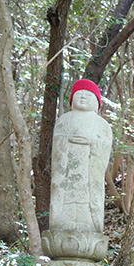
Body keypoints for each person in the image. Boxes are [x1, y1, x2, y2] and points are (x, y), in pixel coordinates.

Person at [49, 79, 112, 233]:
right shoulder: (64, 120)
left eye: (88, 95)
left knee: (87, 197)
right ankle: (61, 224)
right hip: (68, 171)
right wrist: (67, 141)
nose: (83, 96)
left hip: (89, 173)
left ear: (96, 103)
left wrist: (91, 142)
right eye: (79, 93)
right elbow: (57, 144)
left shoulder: (101, 125)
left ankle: (89, 225)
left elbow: (105, 146)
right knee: (66, 196)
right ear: (71, 101)